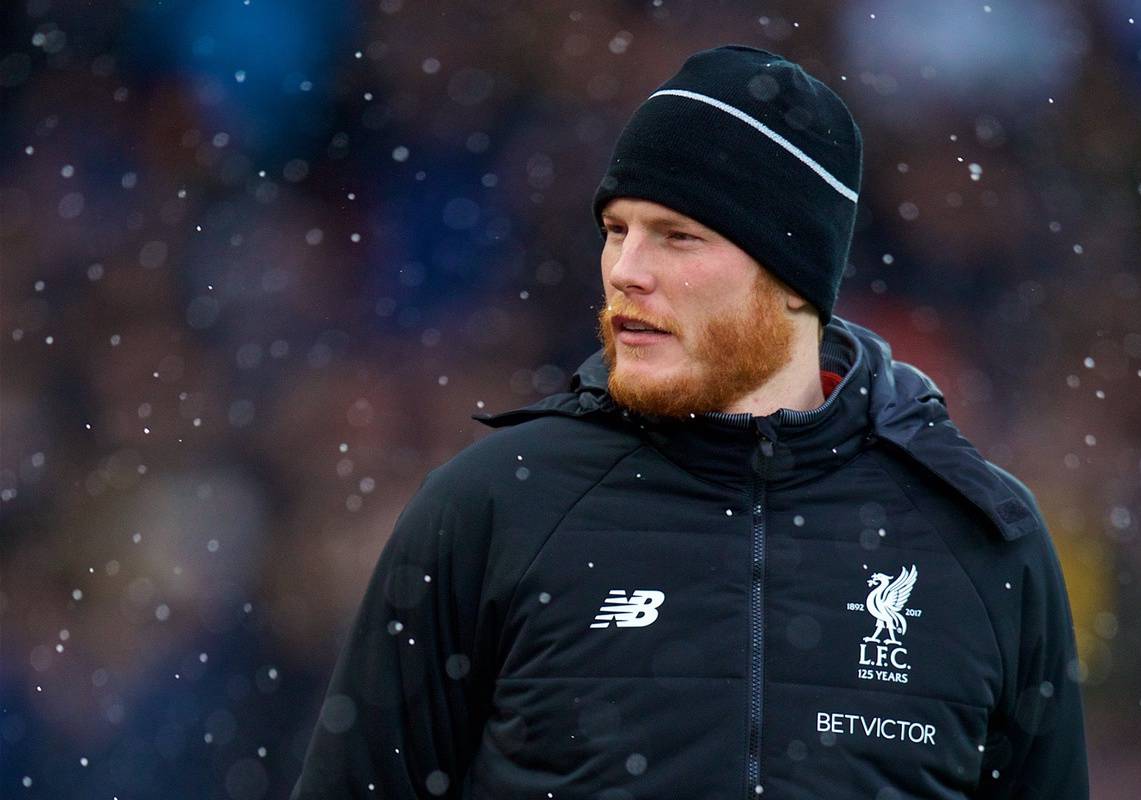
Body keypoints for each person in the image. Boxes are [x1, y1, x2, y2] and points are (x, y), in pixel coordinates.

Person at [292, 44, 1088, 799]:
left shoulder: (984, 542)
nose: (626, 271)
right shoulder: (493, 509)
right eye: (616, 230)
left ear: (794, 279)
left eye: (678, 237)